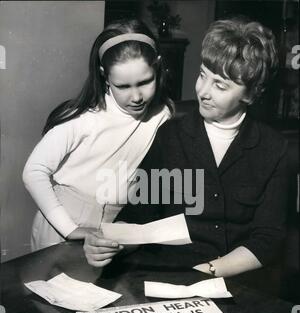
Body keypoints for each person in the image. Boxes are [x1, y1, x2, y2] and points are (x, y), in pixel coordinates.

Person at [84, 17, 288, 277]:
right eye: (203, 75)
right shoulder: (171, 136)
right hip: (170, 274)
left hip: (238, 280)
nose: (203, 91)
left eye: (220, 85)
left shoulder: (273, 148)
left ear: (251, 94)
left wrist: (209, 271)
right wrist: (109, 244)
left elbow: (268, 239)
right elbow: (140, 213)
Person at [23, 19, 173, 254]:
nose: (136, 96)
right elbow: (33, 171)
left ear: (158, 67)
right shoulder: (84, 117)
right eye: (123, 86)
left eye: (145, 82)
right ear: (104, 76)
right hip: (64, 222)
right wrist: (70, 230)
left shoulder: (162, 115)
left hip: (114, 224)